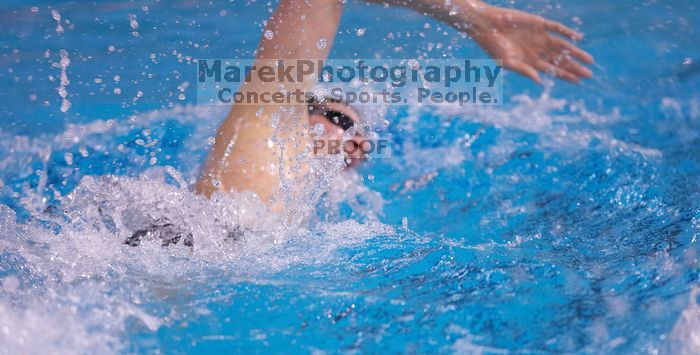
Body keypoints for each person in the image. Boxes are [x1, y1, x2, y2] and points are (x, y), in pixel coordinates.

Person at [194, 0, 593, 211]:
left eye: (363, 137)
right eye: (339, 121)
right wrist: (475, 18)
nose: (358, 145)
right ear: (299, 110)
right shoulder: (267, 132)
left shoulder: (303, 207)